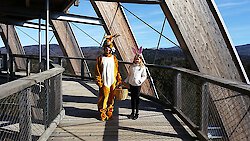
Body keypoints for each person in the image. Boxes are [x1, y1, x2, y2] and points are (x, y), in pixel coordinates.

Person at [95, 34, 122, 121]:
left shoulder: (114, 58)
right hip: (104, 81)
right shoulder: (100, 58)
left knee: (111, 98)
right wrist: (99, 81)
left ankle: (109, 112)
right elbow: (97, 71)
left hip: (112, 81)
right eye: (106, 48)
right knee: (103, 98)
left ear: (111, 49)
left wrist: (118, 79)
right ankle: (102, 113)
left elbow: (117, 70)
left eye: (109, 48)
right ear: (104, 48)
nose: (107, 49)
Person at [124, 46, 147, 120]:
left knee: (136, 99)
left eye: (138, 59)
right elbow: (129, 75)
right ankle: (132, 112)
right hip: (131, 84)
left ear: (140, 60)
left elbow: (144, 76)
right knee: (132, 99)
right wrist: (125, 81)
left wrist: (140, 80)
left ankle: (137, 113)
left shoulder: (142, 67)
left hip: (137, 85)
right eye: (136, 59)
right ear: (134, 59)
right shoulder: (131, 66)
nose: (137, 60)